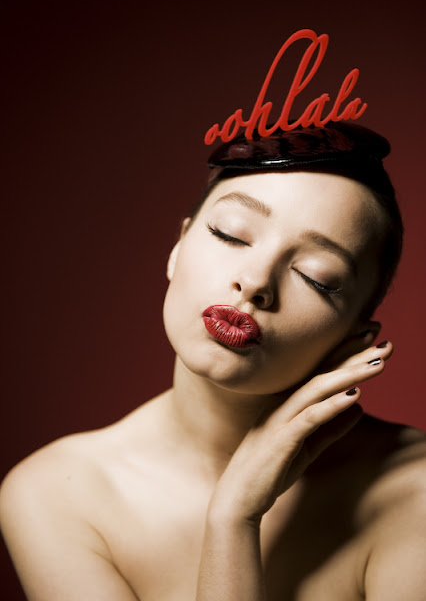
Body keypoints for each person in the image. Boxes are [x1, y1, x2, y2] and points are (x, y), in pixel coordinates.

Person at [0, 122, 425, 601]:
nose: (255, 281)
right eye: (231, 235)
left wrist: (233, 518)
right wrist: (235, 518)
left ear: (355, 339)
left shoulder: (414, 491)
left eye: (316, 277)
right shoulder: (55, 493)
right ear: (177, 248)